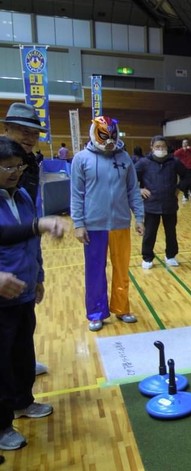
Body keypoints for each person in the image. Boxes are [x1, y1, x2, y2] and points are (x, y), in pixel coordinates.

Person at [0, 137, 67, 452]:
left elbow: (31, 242)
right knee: (1, 363)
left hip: (24, 292)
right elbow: (10, 233)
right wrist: (39, 224)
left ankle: (23, 403)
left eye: (18, 166)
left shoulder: (24, 196)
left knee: (23, 353)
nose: (14, 172)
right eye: (7, 166)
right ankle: (1, 427)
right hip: (1, 296)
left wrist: (39, 277)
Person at [70, 116, 144, 332]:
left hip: (120, 224)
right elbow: (76, 194)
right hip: (93, 226)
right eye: (104, 135)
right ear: (94, 132)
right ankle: (96, 312)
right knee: (95, 271)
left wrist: (139, 217)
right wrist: (78, 223)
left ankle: (122, 308)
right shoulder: (81, 159)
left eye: (113, 135)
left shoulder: (124, 158)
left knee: (122, 270)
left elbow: (133, 189)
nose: (109, 140)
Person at [2, 102, 49, 376]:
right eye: (22, 131)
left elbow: (31, 224)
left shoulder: (29, 166)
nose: (30, 138)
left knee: (22, 327)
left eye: (35, 133)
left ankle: (22, 371)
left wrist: (38, 274)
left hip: (23, 263)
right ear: (5, 129)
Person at [135, 135, 187, 269]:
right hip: (151, 205)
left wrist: (179, 188)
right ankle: (147, 257)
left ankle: (170, 256)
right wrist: (140, 189)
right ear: (152, 147)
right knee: (150, 233)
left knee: (171, 232)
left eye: (163, 146)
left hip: (169, 204)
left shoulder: (174, 161)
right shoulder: (143, 162)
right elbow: (131, 179)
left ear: (167, 148)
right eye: (157, 146)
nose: (160, 149)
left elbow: (187, 176)